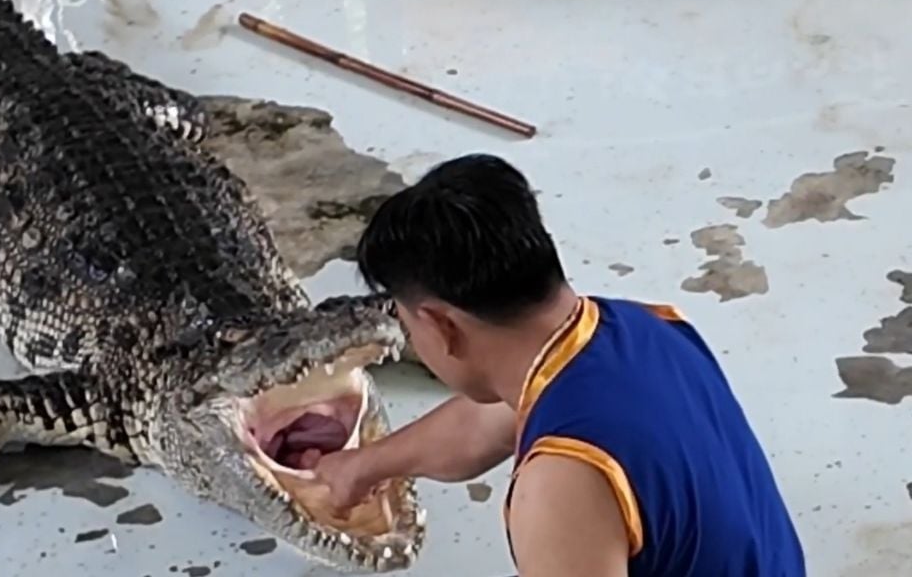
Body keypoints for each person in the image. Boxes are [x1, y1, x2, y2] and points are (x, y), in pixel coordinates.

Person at [312, 153, 806, 576]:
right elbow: (487, 423)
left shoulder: (560, 483)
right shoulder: (644, 327)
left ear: (441, 326)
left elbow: (558, 467)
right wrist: (364, 465)